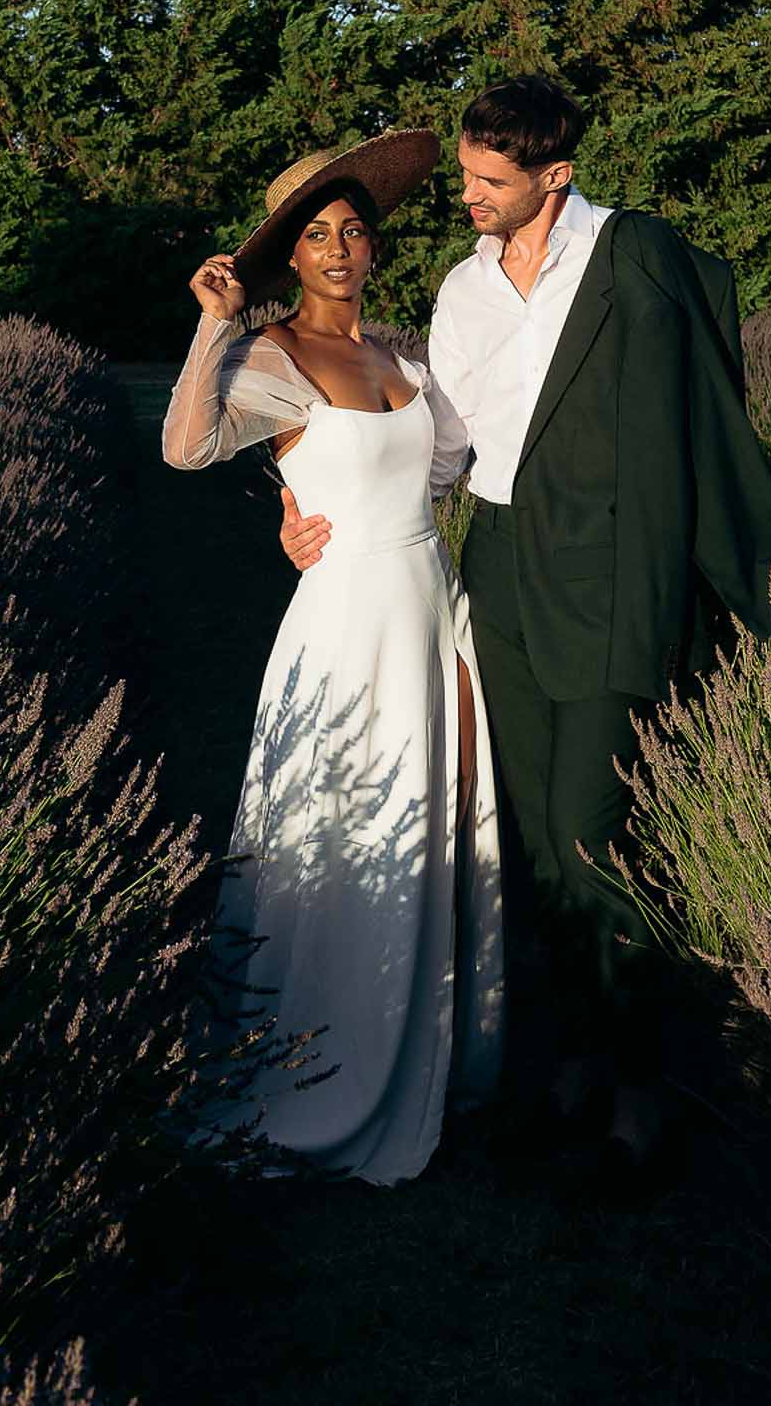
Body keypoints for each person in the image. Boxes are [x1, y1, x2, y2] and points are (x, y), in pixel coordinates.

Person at [279, 76, 771, 1184]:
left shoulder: (633, 258)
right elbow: (431, 444)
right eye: (468, 175)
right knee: (529, 841)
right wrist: (302, 504)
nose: (468, 196)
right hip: (499, 566)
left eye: (491, 181)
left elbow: (705, 407)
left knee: (594, 831)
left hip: (615, 566)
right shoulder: (460, 289)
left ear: (553, 177)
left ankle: (638, 1096)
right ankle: (567, 1072)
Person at [161, 130, 502, 1187]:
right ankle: (313, 1058)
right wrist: (213, 328)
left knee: (426, 813)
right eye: (316, 235)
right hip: (344, 621)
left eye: (354, 228)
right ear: (289, 257)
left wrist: (305, 505)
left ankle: (423, 1045)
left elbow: (445, 471)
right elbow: (186, 443)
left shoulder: (405, 356)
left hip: (426, 608)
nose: (341, 247)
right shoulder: (271, 355)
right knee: (337, 825)